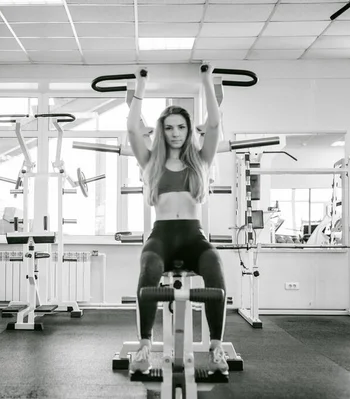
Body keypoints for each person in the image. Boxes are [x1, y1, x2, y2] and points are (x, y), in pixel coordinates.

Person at [127, 64, 228, 376]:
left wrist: (206, 81)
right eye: (169, 127)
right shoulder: (150, 161)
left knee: (213, 265)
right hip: (162, 236)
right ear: (162, 131)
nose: (174, 133)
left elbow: (213, 125)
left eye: (181, 127)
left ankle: (215, 345)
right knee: (149, 270)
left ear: (187, 130)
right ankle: (144, 343)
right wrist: (140, 87)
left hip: (192, 236)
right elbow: (132, 128)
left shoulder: (201, 161)